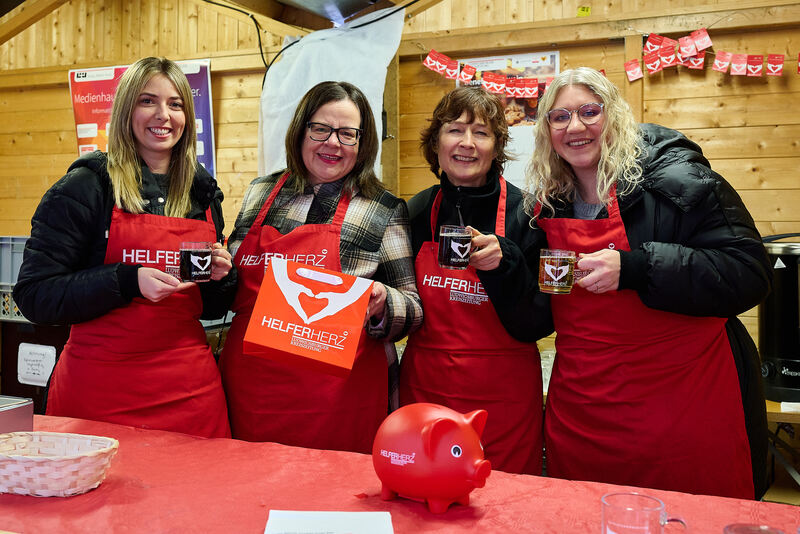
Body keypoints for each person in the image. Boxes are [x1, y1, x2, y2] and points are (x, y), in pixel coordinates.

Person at [487, 67, 771, 499]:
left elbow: (750, 272)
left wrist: (637, 268)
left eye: (589, 112)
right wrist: (503, 266)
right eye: (560, 117)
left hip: (681, 414)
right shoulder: (548, 206)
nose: (575, 127)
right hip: (583, 418)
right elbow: (539, 316)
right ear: (546, 131)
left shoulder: (680, 181)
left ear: (615, 116)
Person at [14, 57, 233, 438]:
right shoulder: (85, 187)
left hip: (189, 393)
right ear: (125, 110)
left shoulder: (202, 193)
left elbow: (212, 308)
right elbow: (35, 296)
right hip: (98, 394)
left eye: (176, 104)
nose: (163, 115)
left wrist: (220, 277)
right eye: (148, 101)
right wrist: (127, 281)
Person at [218, 81, 422, 454]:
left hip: (336, 401)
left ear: (362, 143)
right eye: (321, 129)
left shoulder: (381, 208)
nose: (333, 143)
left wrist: (384, 302)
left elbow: (413, 307)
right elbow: (233, 282)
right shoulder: (260, 193)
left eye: (347, 133)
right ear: (301, 131)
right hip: (252, 393)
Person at [399, 86, 553, 475]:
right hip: (426, 393)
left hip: (502, 402)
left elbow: (542, 321)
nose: (467, 143)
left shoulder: (530, 215)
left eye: (481, 133)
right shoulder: (414, 212)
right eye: (455, 130)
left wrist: (506, 265)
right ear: (436, 143)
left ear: (496, 147)